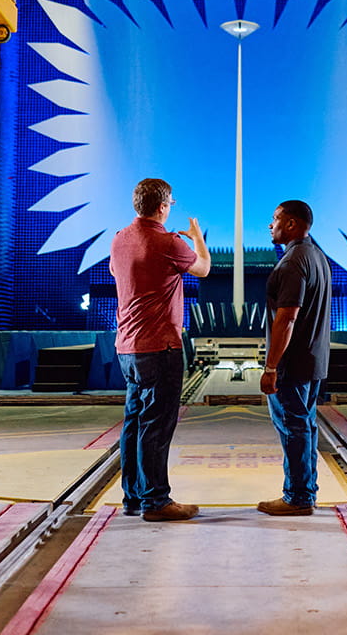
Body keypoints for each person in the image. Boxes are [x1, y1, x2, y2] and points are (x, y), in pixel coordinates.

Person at [109, 177, 210, 522]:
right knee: (157, 425)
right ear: (164, 206)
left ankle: (133, 498)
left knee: (134, 423)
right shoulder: (168, 241)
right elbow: (204, 268)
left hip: (127, 348)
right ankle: (156, 501)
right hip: (160, 347)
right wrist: (197, 238)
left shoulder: (119, 240)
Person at [256, 199, 332, 517]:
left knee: (293, 427)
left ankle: (298, 497)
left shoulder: (292, 262)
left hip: (292, 363)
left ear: (291, 224)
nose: (270, 225)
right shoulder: (317, 256)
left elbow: (286, 318)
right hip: (313, 361)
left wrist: (271, 366)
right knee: (305, 426)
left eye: (275, 219)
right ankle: (305, 491)